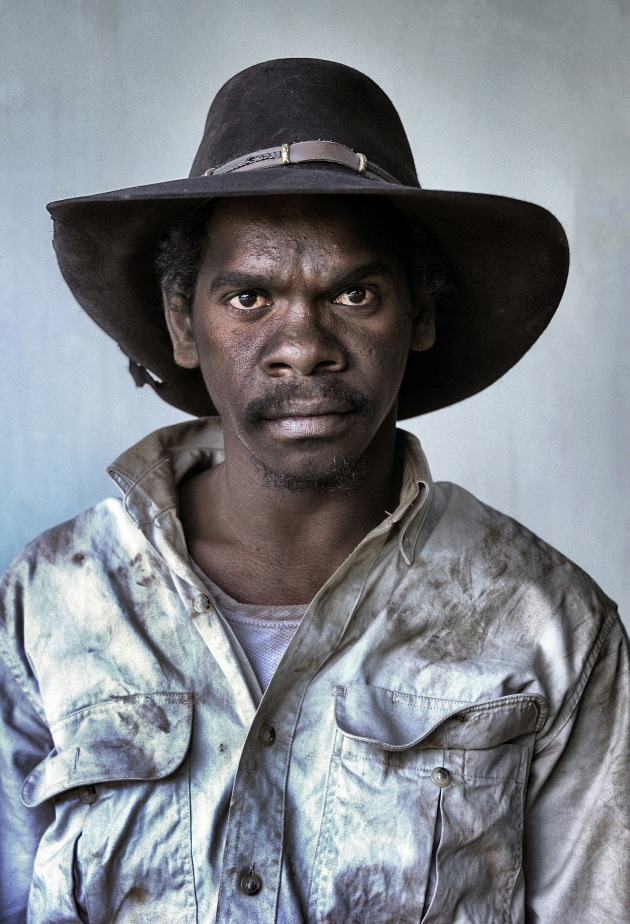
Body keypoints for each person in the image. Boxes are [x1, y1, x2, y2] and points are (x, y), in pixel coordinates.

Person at [0, 57, 628, 924]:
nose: (304, 345)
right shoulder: (52, 599)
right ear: (186, 324)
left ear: (422, 314)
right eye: (251, 296)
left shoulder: (545, 624)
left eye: (356, 292)